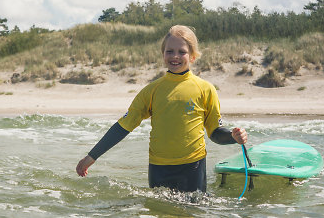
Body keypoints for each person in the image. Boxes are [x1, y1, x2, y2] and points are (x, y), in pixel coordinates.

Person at [76, 25, 248, 193]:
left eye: (182, 52)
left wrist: (232, 137)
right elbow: (123, 126)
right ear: (163, 54)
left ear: (193, 56)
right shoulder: (152, 91)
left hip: (193, 167)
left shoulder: (205, 89)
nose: (175, 56)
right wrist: (92, 157)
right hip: (159, 168)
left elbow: (215, 132)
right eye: (169, 51)